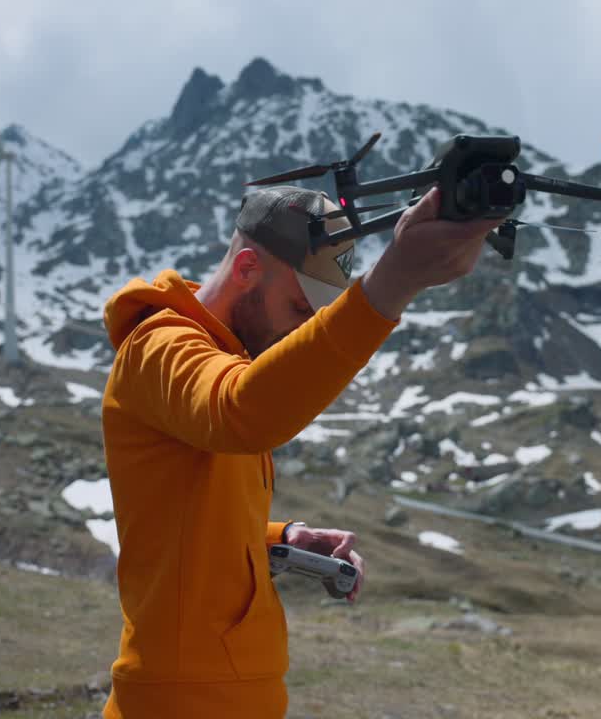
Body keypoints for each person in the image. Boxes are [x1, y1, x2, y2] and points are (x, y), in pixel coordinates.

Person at [99, 184, 504, 718]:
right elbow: (242, 413)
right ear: (247, 268)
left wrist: (278, 539)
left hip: (232, 694)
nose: (301, 328)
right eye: (297, 306)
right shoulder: (160, 344)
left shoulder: (225, 357)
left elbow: (181, 521)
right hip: (181, 699)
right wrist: (392, 283)